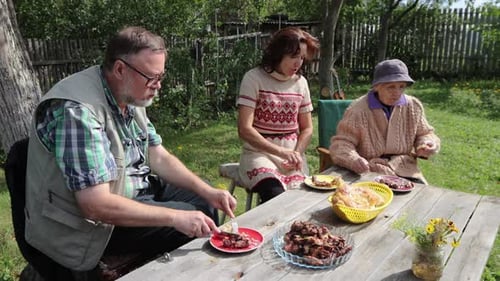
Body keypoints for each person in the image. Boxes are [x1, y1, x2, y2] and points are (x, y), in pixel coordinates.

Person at [24, 26, 237, 278]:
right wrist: (174, 217)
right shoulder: (77, 112)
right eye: (152, 77)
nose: (158, 86)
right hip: (88, 227)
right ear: (120, 69)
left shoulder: (128, 93)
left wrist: (208, 191)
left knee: (203, 203)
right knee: (188, 222)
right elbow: (95, 205)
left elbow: (158, 155)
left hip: (132, 192)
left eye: (161, 76)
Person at [236, 27, 320, 203]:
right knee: (276, 197)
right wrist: (281, 151)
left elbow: (307, 128)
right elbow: (244, 129)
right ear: (278, 53)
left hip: (291, 158)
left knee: (301, 198)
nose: (298, 64)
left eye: (302, 58)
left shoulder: (301, 83)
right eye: (293, 57)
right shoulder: (253, 78)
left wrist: (297, 153)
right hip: (258, 155)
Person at [329, 59, 440, 184]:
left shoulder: (413, 106)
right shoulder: (358, 110)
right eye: (391, 87)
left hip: (405, 168)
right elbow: (341, 144)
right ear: (377, 87)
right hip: (369, 171)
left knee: (421, 198)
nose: (397, 93)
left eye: (401, 86)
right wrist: (353, 159)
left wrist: (427, 143)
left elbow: (425, 133)